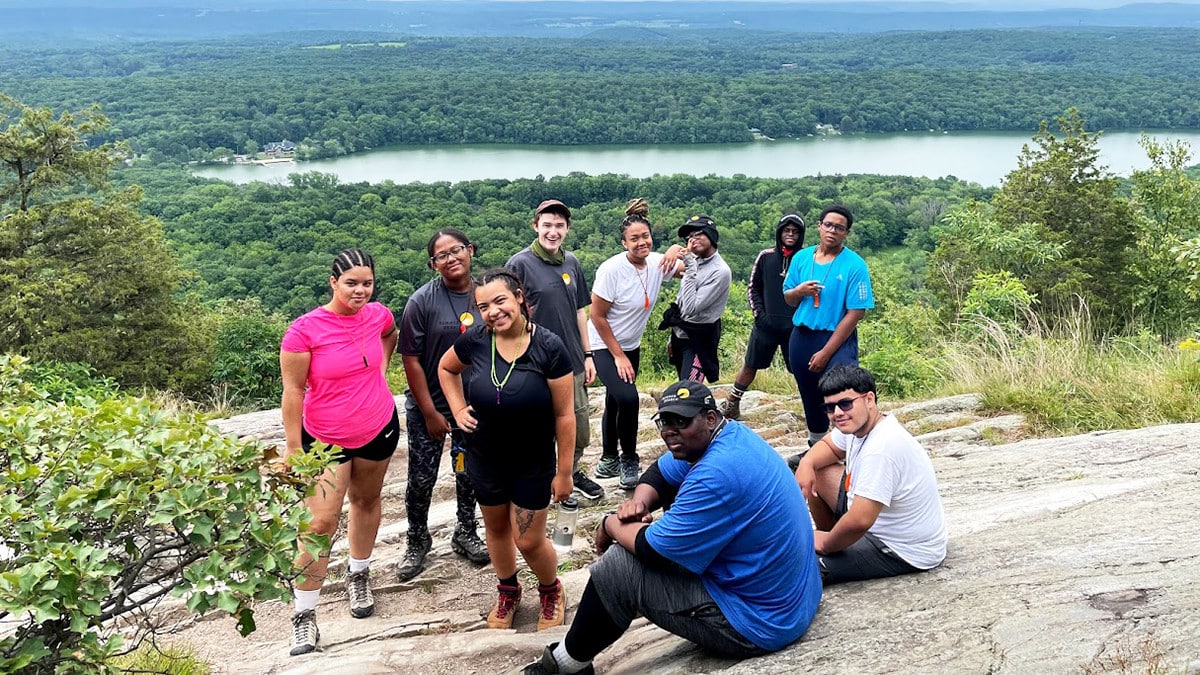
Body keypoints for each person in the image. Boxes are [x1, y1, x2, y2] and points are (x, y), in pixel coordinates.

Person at [520, 380, 822, 674]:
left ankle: (566, 665)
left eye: (681, 422)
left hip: (760, 624)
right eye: (663, 422)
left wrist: (610, 523)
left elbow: (651, 550)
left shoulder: (717, 474)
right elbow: (660, 473)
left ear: (710, 418)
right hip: (791, 599)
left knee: (618, 568)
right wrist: (636, 504)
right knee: (656, 516)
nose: (669, 432)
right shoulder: (728, 437)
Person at [438, 267, 575, 632]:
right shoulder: (477, 341)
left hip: (533, 458)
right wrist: (456, 408)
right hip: (485, 454)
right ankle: (508, 590)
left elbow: (565, 415)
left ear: (519, 297)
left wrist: (564, 472)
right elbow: (446, 369)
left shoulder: (548, 347)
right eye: (484, 306)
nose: (493, 312)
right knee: (496, 529)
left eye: (500, 301)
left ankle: (551, 590)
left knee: (528, 538)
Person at [279, 248, 399, 656]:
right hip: (325, 439)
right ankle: (304, 614)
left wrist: (380, 370)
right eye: (351, 283)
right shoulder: (304, 331)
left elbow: (389, 334)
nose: (360, 290)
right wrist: (294, 448)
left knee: (367, 500)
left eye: (367, 283)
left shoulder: (378, 314)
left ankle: (359, 573)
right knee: (319, 522)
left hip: (378, 425)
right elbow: (293, 391)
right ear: (333, 283)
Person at [395, 228, 490, 582]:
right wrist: (431, 412)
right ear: (433, 264)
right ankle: (417, 539)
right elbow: (411, 360)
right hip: (430, 408)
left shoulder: (485, 295)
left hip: (473, 406)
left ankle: (465, 532)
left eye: (457, 250)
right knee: (421, 479)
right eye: (442, 255)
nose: (451, 259)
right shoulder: (422, 302)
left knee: (467, 472)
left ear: (471, 250)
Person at [795, 365, 947, 584]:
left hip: (900, 549)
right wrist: (807, 463)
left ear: (869, 399)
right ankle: (835, 538)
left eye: (846, 403)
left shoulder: (882, 448)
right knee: (819, 469)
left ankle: (832, 545)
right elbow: (829, 446)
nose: (838, 413)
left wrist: (826, 543)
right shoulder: (861, 425)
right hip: (874, 523)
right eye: (830, 407)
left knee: (796, 563)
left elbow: (859, 521)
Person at [507, 199, 605, 501]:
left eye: (559, 226)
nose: (553, 231)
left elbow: (580, 312)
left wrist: (588, 355)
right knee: (540, 428)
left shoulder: (571, 262)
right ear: (535, 225)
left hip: (571, 361)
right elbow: (510, 315)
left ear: (567, 229)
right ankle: (546, 479)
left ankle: (570, 471)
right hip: (534, 363)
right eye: (547, 225)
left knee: (578, 428)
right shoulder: (519, 264)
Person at [589, 198, 683, 490]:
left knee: (615, 401)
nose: (641, 242)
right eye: (634, 239)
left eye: (645, 237)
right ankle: (628, 458)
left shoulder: (656, 262)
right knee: (628, 398)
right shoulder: (611, 270)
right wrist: (618, 356)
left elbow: (688, 263)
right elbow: (597, 315)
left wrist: (675, 249)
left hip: (632, 342)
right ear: (623, 242)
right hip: (604, 344)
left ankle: (607, 459)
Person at [782, 204, 874, 447]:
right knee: (810, 397)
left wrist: (826, 352)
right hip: (801, 337)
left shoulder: (854, 265)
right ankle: (817, 448)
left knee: (844, 395)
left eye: (840, 228)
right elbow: (788, 298)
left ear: (846, 233)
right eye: (828, 225)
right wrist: (799, 291)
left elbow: (856, 313)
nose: (832, 231)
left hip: (836, 338)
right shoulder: (801, 258)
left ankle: (854, 447)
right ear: (819, 226)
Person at [721, 212, 805, 420]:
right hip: (766, 324)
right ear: (779, 232)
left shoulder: (806, 258)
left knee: (801, 369)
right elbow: (753, 287)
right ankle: (732, 403)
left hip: (795, 328)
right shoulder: (766, 257)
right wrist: (759, 315)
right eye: (787, 230)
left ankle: (815, 407)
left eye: (795, 232)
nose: (791, 235)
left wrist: (801, 321)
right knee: (750, 365)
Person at [664, 214, 731, 383]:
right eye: (690, 236)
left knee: (689, 389)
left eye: (699, 233)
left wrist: (689, 267)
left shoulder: (720, 271)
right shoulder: (695, 261)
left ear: (711, 235)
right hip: (680, 335)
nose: (693, 240)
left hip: (700, 339)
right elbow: (681, 301)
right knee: (683, 384)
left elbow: (690, 308)